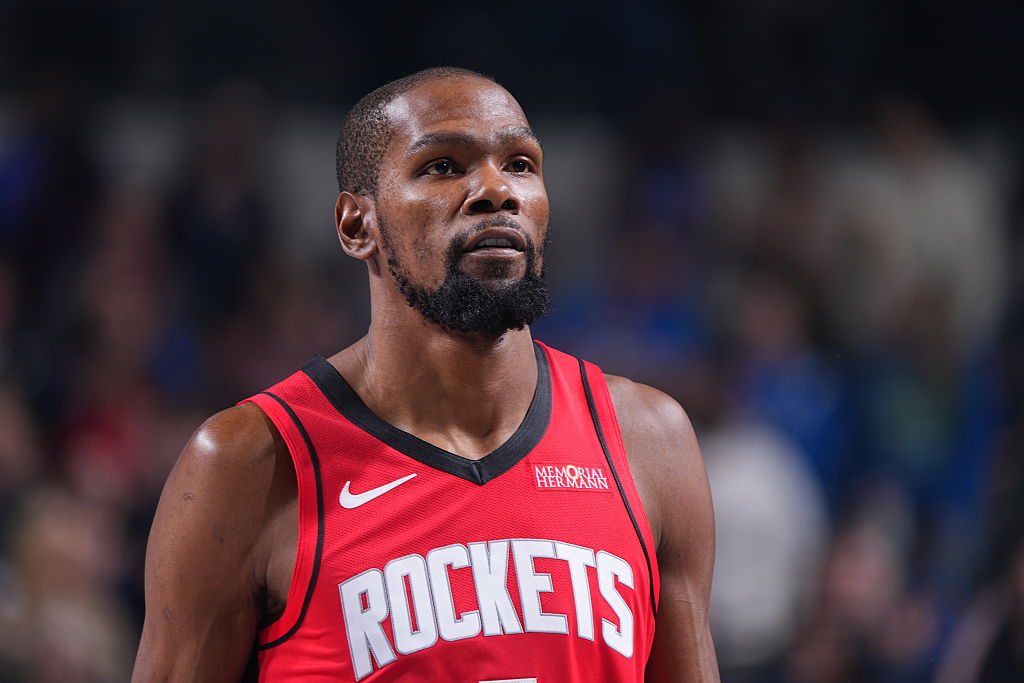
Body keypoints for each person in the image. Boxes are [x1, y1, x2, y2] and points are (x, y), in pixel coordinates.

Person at [131, 66, 719, 682]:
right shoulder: (248, 464)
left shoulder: (648, 439)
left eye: (520, 164)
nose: (496, 189)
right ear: (357, 225)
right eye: (443, 166)